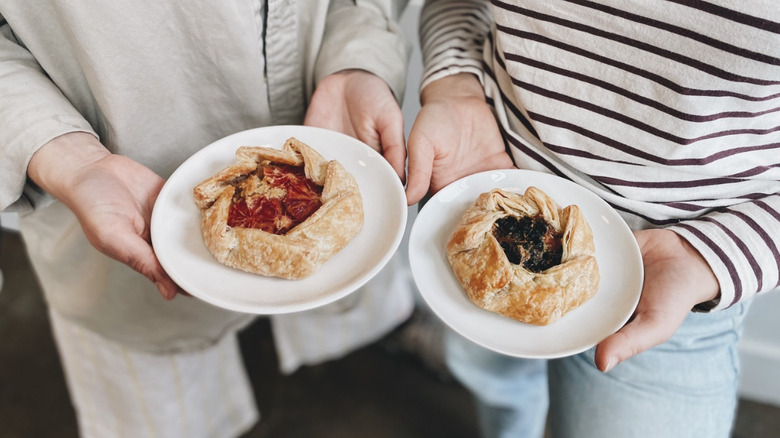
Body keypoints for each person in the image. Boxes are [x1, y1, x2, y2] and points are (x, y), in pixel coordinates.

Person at [0, 1, 416, 437]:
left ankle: (372, 342)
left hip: (331, 111)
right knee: (166, 396)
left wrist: (358, 55)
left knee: (349, 307)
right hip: (124, 189)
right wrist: (66, 154)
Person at [406, 1, 779, 437]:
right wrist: (456, 86)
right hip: (480, 191)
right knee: (491, 380)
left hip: (678, 276)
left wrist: (714, 255)